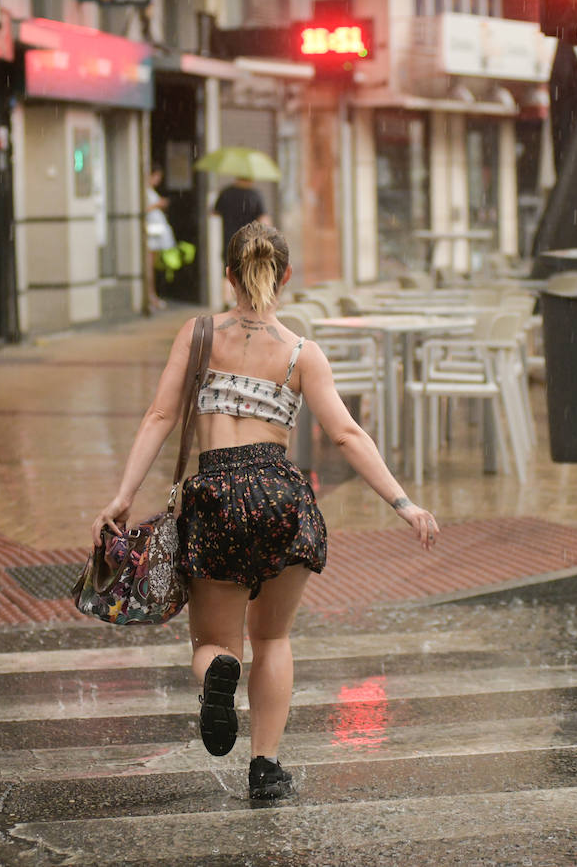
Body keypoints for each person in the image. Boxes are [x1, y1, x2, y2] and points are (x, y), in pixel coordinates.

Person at [92, 221, 439, 801]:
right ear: (287, 277)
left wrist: (124, 496)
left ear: (227, 274)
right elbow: (348, 434)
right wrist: (404, 502)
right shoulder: (303, 353)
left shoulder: (198, 334)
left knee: (213, 643)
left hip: (216, 496)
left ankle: (218, 679)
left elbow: (158, 416)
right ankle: (265, 768)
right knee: (273, 639)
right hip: (281, 496)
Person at [144, 165, 174, 314]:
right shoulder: (145, 192)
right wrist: (157, 204)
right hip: (151, 233)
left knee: (153, 265)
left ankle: (152, 295)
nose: (157, 180)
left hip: (156, 233)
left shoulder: (151, 191)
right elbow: (144, 209)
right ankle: (150, 296)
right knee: (149, 266)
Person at [213, 177, 270, 253]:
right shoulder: (255, 195)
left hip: (229, 242)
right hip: (249, 243)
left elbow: (215, 212)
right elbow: (264, 219)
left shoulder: (226, 192)